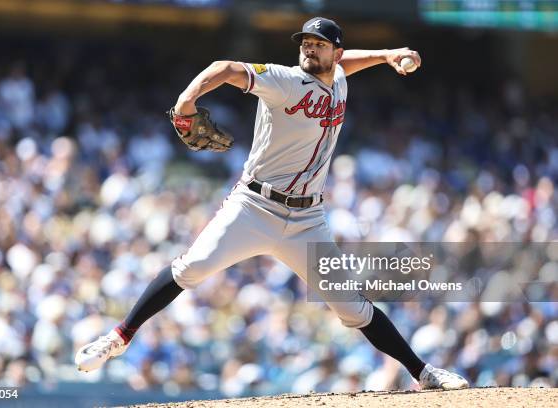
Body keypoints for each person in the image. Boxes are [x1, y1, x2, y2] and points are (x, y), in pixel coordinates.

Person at [75, 17, 469, 391]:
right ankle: (118, 337)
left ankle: (423, 372)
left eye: (319, 45)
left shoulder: (339, 78)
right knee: (190, 267)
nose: (310, 50)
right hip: (254, 207)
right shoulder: (283, 80)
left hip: (307, 219)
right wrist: (186, 100)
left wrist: (386, 55)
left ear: (335, 52)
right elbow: (225, 67)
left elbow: (346, 63)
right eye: (306, 44)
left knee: (353, 308)